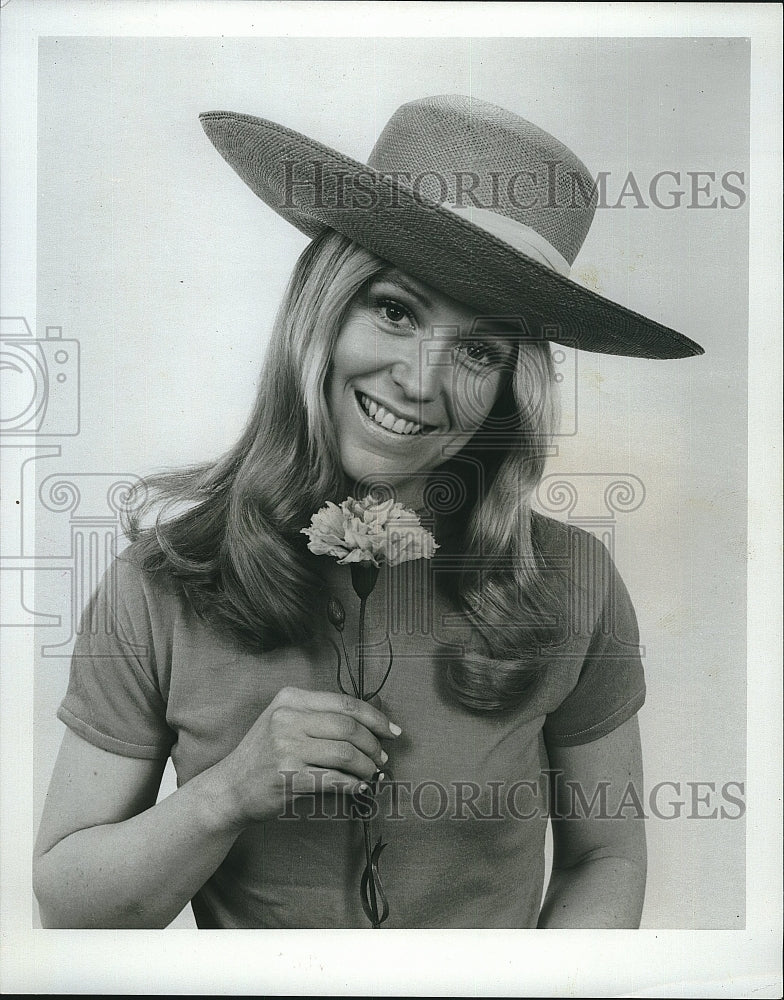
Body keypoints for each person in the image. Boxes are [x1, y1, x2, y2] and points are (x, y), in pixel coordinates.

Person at [33, 95, 703, 929]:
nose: (420, 381)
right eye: (394, 309)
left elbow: (608, 857)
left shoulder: (571, 579)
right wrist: (224, 797)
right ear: (323, 309)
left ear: (508, 389)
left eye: (480, 350)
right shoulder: (161, 586)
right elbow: (70, 905)